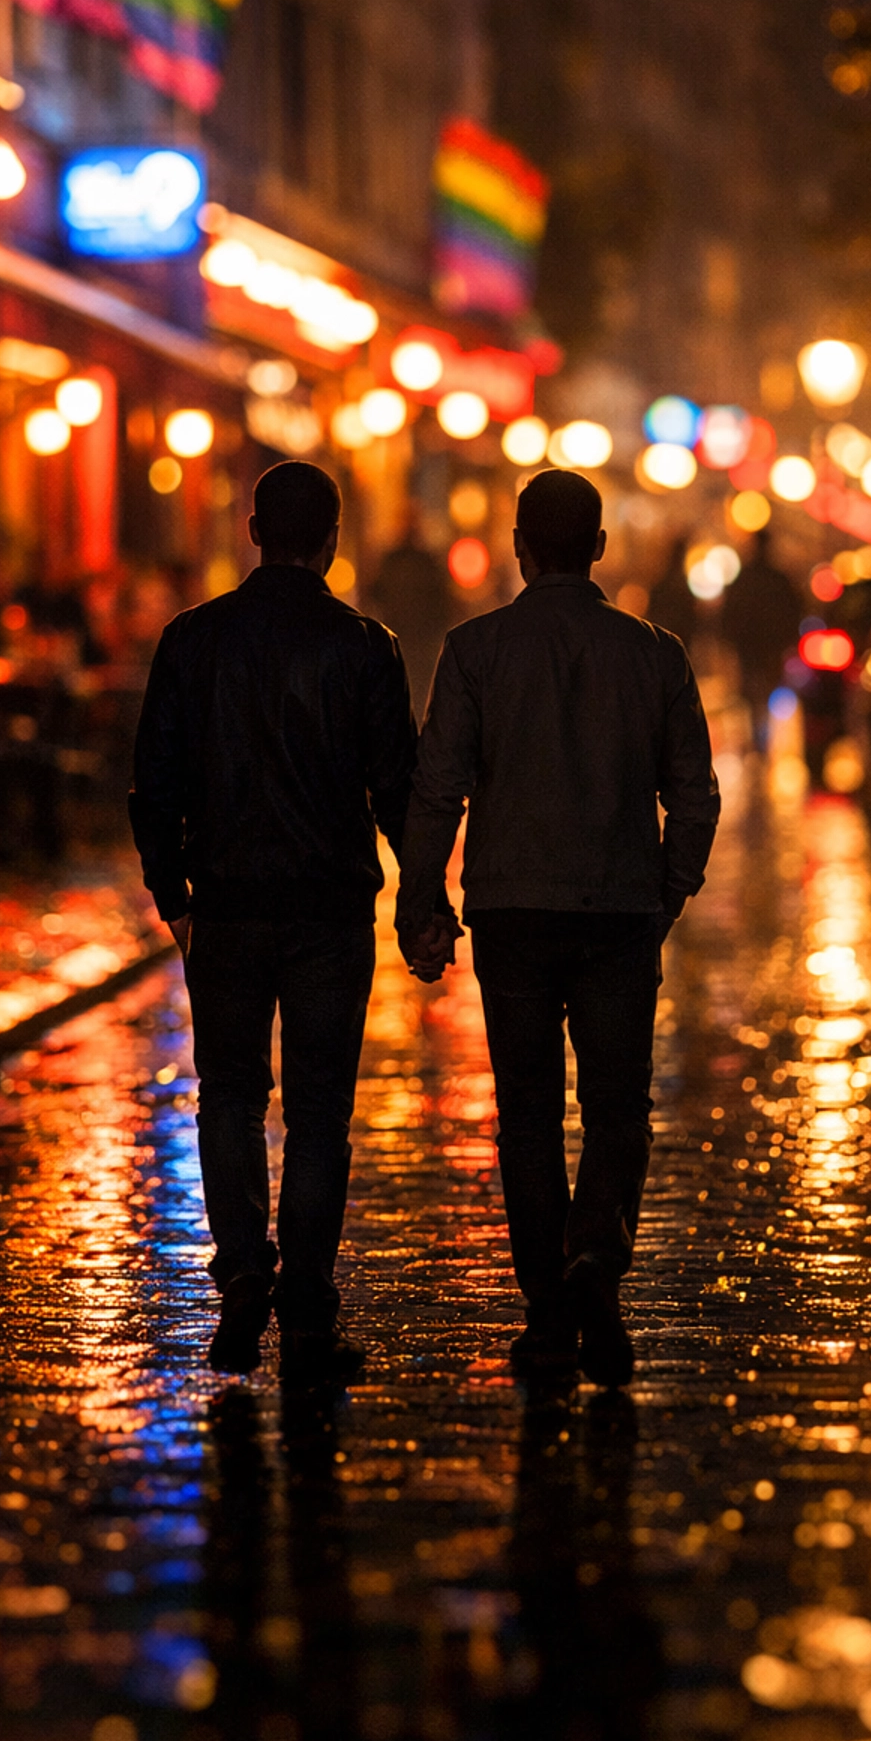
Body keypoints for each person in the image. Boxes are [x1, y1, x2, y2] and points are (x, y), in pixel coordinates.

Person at [396, 469, 720, 1387]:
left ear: (519, 548)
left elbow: (438, 787)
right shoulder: (656, 654)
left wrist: (421, 897)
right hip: (620, 909)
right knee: (620, 1106)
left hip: (513, 910)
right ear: (601, 549)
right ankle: (597, 1262)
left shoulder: (475, 650)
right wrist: (670, 890)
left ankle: (547, 1303)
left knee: (527, 1111)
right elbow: (693, 795)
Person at [130, 461, 418, 1383]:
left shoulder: (191, 640)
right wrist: (426, 895)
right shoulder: (366, 646)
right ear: (333, 538)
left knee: (230, 1096)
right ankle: (306, 1314)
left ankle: (244, 1273)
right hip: (330, 906)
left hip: (226, 901)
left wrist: (173, 897)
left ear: (252, 532)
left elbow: (153, 787)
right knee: (322, 1113)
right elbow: (398, 791)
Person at [720, 526, 802, 752]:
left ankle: (756, 740)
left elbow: (729, 614)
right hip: (769, 649)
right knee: (765, 693)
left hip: (750, 649)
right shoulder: (778, 579)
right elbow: (793, 611)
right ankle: (760, 740)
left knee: (750, 695)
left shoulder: (745, 578)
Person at [366, 509, 454, 716]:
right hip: (416, 636)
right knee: (418, 687)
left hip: (404, 635)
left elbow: (376, 594)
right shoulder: (425, 562)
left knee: (402, 687)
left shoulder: (395, 561)